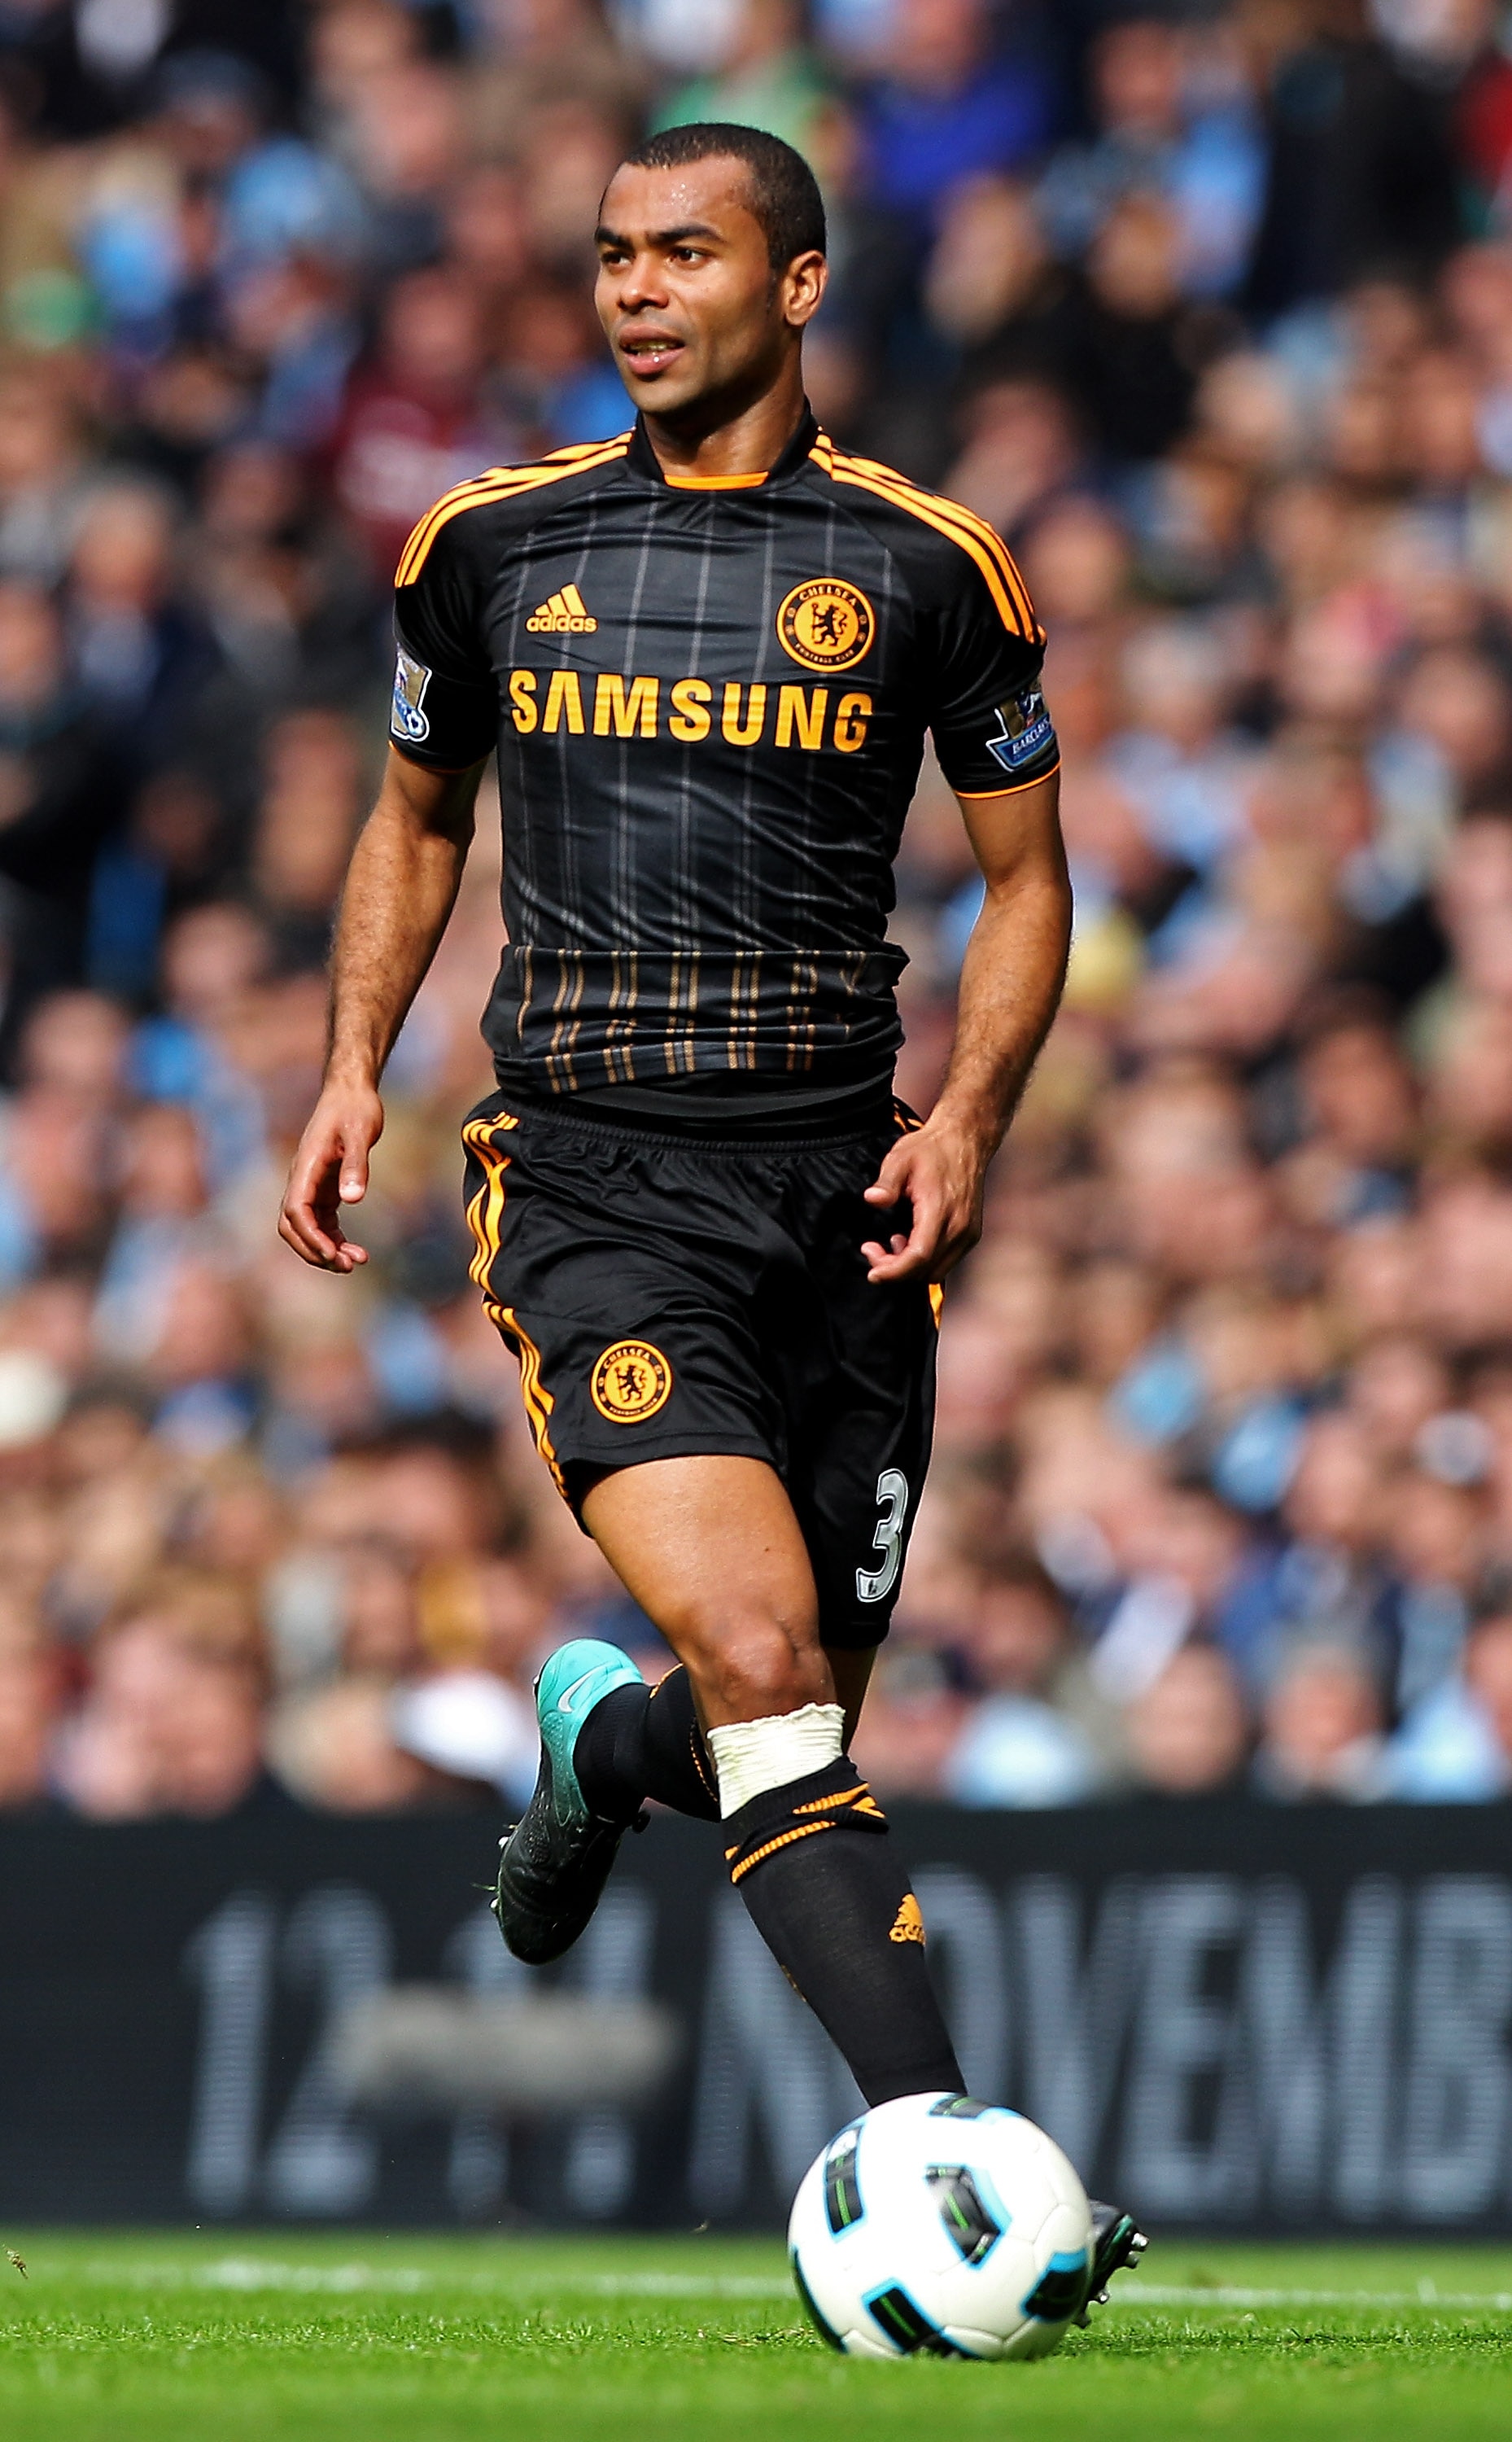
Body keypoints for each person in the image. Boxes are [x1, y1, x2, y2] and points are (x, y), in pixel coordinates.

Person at [279, 120, 1143, 2313]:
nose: (637, 289)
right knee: (763, 1661)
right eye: (611, 256)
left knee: (778, 1726)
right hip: (590, 1182)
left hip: (842, 1199)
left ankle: (599, 1740)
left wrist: (966, 1117)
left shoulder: (930, 565)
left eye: (685, 251)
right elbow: (410, 817)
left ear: (800, 284)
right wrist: (351, 1062)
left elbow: (1026, 884)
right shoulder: (489, 545)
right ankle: (944, 2153)